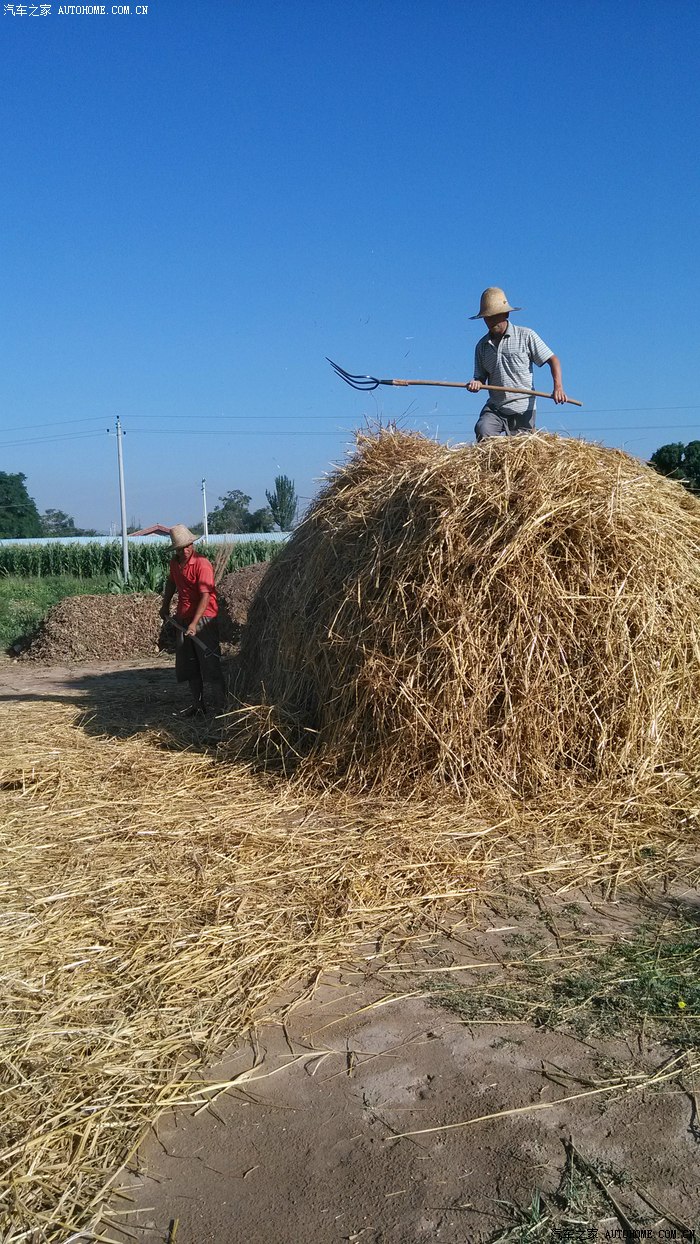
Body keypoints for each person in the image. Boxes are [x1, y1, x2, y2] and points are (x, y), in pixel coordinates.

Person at [467, 287, 567, 441]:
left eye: (495, 316)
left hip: (522, 409)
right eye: (487, 317)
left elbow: (553, 360)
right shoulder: (482, 346)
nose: (491, 321)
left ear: (506, 314)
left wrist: (558, 388)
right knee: (483, 428)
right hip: (496, 407)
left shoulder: (526, 336)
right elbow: (480, 378)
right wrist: (476, 383)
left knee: (519, 452)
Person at [159, 525, 223, 717]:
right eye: (181, 548)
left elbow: (205, 596)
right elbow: (171, 583)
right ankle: (198, 706)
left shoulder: (202, 564)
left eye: (188, 546)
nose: (185, 550)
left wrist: (195, 624)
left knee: (211, 666)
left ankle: (221, 709)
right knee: (190, 665)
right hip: (183, 618)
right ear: (176, 550)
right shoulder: (174, 564)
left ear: (192, 544)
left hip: (204, 619)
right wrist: (165, 605)